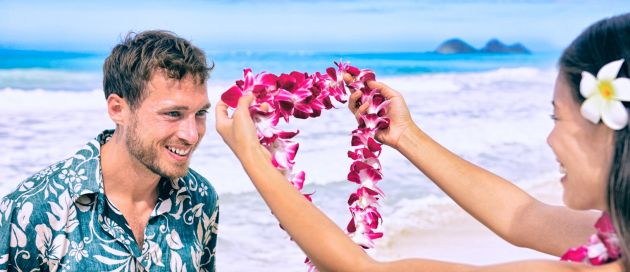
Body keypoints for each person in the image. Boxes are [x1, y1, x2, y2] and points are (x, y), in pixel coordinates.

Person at [215, 13, 630, 271]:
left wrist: (254, 158)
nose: (550, 137)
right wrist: (406, 136)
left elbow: (358, 270)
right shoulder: (620, 240)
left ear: (608, 129)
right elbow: (521, 216)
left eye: (557, 117)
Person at [0, 30, 219, 271]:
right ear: (118, 109)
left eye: (200, 113)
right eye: (173, 114)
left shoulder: (199, 198)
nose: (192, 134)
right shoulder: (34, 209)